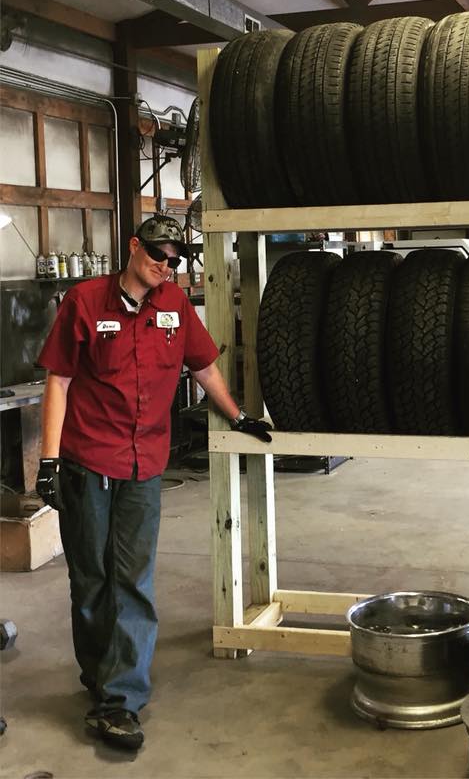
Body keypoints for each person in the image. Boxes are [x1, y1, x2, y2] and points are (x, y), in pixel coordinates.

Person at [35, 215, 272, 751]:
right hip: (87, 462)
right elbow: (60, 380)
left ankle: (121, 699)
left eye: (175, 259)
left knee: (133, 581)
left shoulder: (176, 307)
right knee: (91, 580)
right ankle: (99, 675)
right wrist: (48, 463)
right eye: (158, 254)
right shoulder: (86, 302)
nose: (166, 265)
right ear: (134, 247)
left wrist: (237, 416)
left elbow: (204, 367)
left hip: (145, 466)